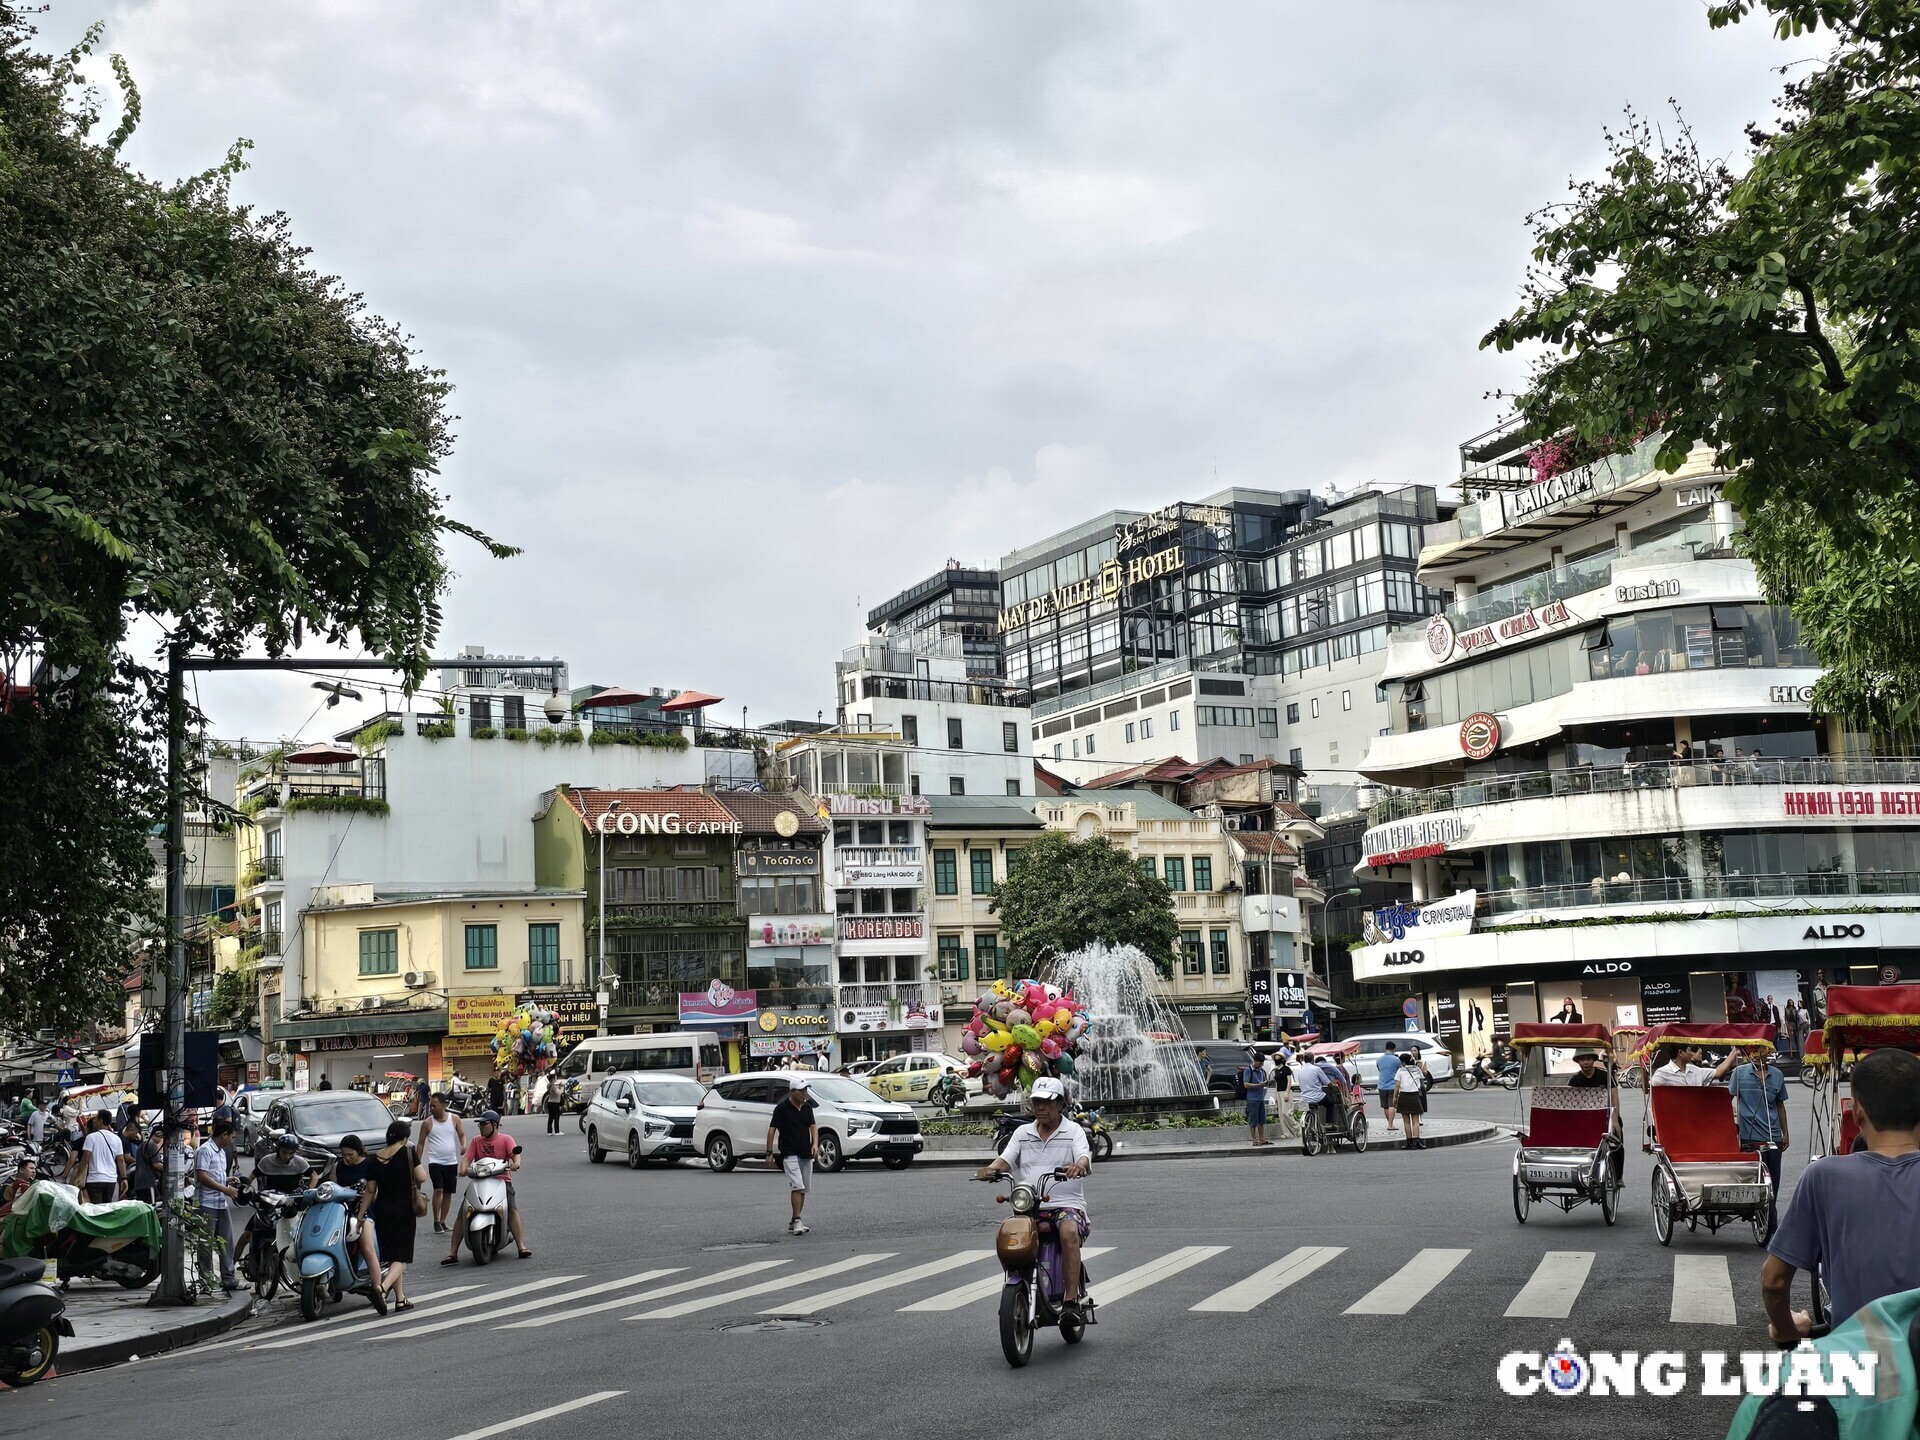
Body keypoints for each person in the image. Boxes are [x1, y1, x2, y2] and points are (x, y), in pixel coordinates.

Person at [1762, 1049, 1920, 1347]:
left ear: (1857, 1110)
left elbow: (1774, 1281)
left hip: (1861, 1363)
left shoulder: (1823, 1176)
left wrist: (1785, 1330)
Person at [974, 1076, 1093, 1319]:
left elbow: (1084, 1157)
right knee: (1007, 1234)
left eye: (1046, 1102)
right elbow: (1005, 1160)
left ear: (1060, 1104)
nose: (1040, 1107)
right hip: (1030, 1206)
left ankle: (1070, 1301)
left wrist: (1079, 1165)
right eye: (1036, 1101)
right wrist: (990, 1170)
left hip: (1066, 1205)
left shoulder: (1074, 1131)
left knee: (1068, 1231)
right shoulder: (1022, 1133)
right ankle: (1018, 1282)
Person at [443, 1110, 529, 1264]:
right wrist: (463, 1169)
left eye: (484, 1124)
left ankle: (521, 1246)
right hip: (479, 1181)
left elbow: (516, 1155)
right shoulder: (476, 1141)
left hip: (502, 1181)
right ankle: (453, 1253)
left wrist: (515, 1164)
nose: (481, 1127)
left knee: (511, 1209)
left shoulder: (506, 1139)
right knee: (463, 1212)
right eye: (480, 1124)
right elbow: (467, 1158)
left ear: (494, 1125)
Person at [363, 1120, 424, 1311]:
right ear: (405, 1137)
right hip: (404, 1209)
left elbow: (370, 1190)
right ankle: (382, 1288)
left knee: (392, 1256)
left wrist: (361, 1214)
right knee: (403, 1256)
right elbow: (421, 1177)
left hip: (382, 1211)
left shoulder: (373, 1159)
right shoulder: (408, 1152)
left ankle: (400, 1299)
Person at [1729, 1048, 1790, 1232]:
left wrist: (1786, 1132)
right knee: (1753, 1180)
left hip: (1773, 1136)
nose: (1755, 1053)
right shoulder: (1739, 1073)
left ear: (1768, 1052)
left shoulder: (1777, 1075)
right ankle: (1756, 1213)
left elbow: (1780, 1105)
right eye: (1752, 1050)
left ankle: (1769, 1217)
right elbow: (1728, 1099)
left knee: (1773, 1182)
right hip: (1749, 1137)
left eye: (1760, 1050)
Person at [766, 1076, 820, 1235]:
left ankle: (795, 1219)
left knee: (803, 1188)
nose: (804, 1094)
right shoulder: (782, 1109)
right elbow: (771, 1131)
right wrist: (769, 1153)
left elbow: (813, 1126)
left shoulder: (807, 1108)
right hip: (789, 1153)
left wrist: (815, 1144)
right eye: (801, 1091)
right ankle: (797, 1220)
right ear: (792, 1092)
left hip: (805, 1152)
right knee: (797, 1185)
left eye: (806, 1090)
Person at [194, 1119, 241, 1293]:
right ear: (224, 1135)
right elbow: (202, 1176)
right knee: (205, 1244)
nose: (233, 1141)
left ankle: (228, 1278)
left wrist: (227, 1181)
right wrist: (225, 1189)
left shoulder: (221, 1152)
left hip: (220, 1203)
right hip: (206, 1203)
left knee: (226, 1242)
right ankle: (206, 1281)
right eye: (232, 1137)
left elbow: (214, 1175)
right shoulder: (205, 1151)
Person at [417, 1095, 465, 1234]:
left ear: (443, 1105)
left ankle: (443, 1221)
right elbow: (421, 1143)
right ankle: (436, 1221)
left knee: (448, 1193)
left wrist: (463, 1145)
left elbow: (462, 1134)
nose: (431, 1108)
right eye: (430, 1105)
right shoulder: (427, 1123)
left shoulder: (454, 1119)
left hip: (451, 1162)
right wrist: (417, 1163)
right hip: (435, 1162)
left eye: (434, 1106)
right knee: (438, 1189)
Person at [77, 1109, 126, 1203]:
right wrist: (124, 1178)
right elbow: (121, 1160)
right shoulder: (117, 1139)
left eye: (96, 1118)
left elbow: (85, 1158)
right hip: (111, 1180)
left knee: (96, 1210)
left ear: (100, 1120)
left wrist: (78, 1176)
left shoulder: (91, 1137)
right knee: (106, 1209)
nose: (94, 1121)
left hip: (95, 1180)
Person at [1651, 1042, 1736, 1086]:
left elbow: (1718, 1072)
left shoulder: (1695, 1070)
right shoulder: (1661, 1074)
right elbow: (1651, 1091)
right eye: (1689, 1050)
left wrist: (1735, 1052)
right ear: (1680, 1053)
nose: (1691, 1053)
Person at [123, 1118, 161, 1205]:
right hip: (148, 1182)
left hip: (139, 1183)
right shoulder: (151, 1144)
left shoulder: (142, 1145)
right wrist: (167, 1166)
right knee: (151, 1207)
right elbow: (156, 1164)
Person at [1395, 1048, 1427, 1150]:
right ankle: (1417, 1140)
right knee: (1416, 1121)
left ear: (1403, 1062)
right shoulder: (1417, 1070)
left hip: (1403, 1096)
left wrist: (1395, 1098)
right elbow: (1422, 1084)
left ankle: (1408, 1142)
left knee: (1406, 1121)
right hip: (1414, 1095)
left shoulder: (1400, 1071)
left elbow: (1397, 1086)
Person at [1242, 1051, 1270, 1146]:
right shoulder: (1248, 1070)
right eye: (1259, 1063)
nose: (1261, 1065)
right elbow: (1246, 1084)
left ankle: (1262, 1138)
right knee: (1253, 1120)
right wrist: (1259, 1085)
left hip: (1261, 1098)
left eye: (1262, 1063)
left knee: (1261, 1120)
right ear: (1254, 1061)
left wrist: (1265, 1085)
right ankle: (1254, 1139)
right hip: (1252, 1099)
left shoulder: (1262, 1071)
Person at [1375, 1042, 1402, 1129]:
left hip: (1381, 1085)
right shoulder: (1396, 1059)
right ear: (1394, 1049)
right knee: (1392, 1105)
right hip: (1392, 1085)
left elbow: (1379, 1069)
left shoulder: (1379, 1059)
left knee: (1385, 1106)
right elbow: (1400, 1070)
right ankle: (1390, 1124)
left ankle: (1390, 1123)